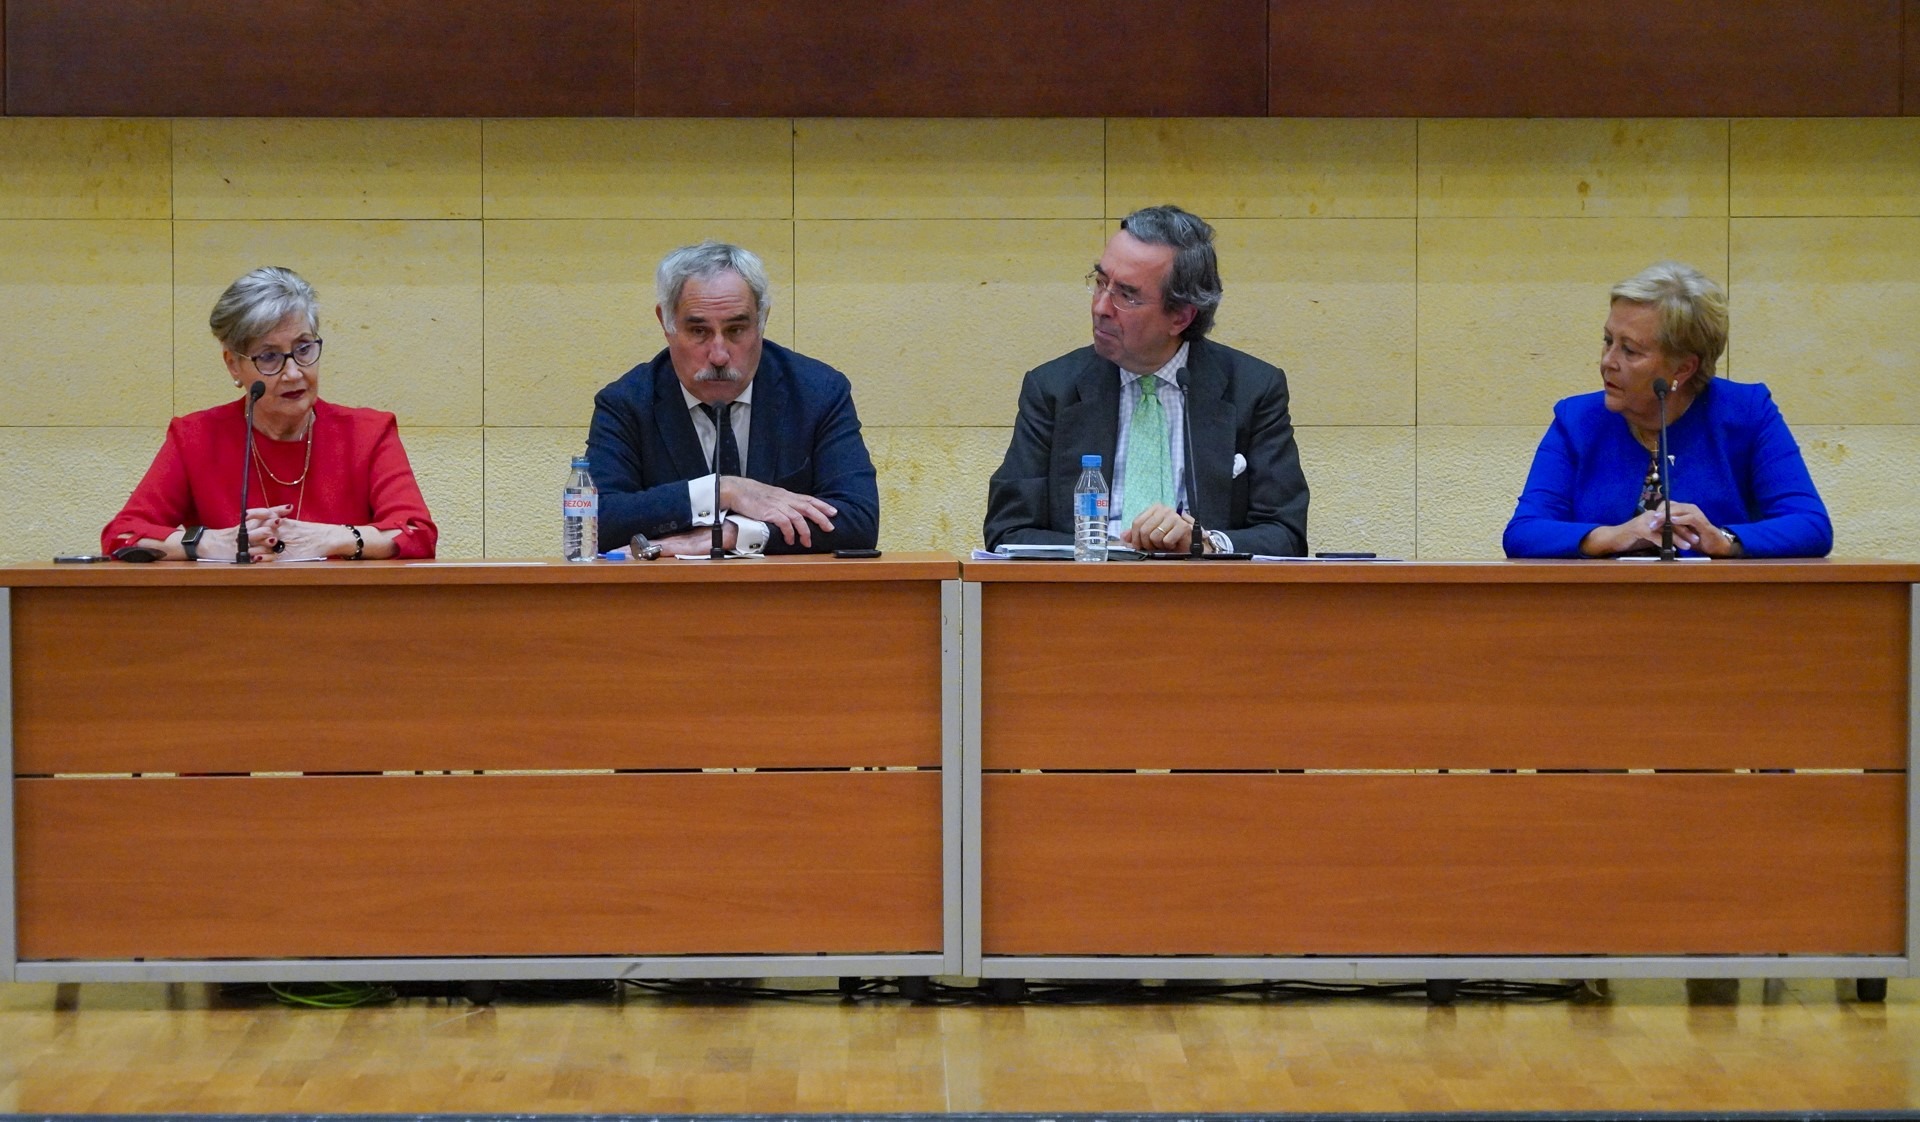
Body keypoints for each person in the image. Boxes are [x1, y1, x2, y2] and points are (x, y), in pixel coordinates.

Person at [982, 205, 1309, 556]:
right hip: (1087, 585)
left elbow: (1286, 534)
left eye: (1126, 295)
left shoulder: (1253, 390)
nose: (1101, 307)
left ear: (1180, 317)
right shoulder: (1053, 389)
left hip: (1204, 587)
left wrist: (1206, 543)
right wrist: (1107, 550)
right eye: (1101, 283)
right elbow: (1008, 531)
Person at [103, 267, 437, 561]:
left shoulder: (368, 433)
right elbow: (122, 536)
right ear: (234, 365)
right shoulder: (196, 438)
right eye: (268, 357)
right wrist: (208, 543)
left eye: (303, 348)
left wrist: (333, 537)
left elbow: (416, 532)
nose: (293, 373)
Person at [1503, 261, 1831, 559]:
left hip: (1716, 601)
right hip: (1601, 602)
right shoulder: (1577, 419)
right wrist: (1609, 537)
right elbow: (1524, 531)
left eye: (1629, 350)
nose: (1607, 362)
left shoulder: (1747, 412)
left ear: (1683, 368)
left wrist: (1725, 540)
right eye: (1607, 340)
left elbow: (1810, 525)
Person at [586, 240, 879, 555]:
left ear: (762, 319)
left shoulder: (817, 393)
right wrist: (723, 490)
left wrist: (734, 534)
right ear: (666, 323)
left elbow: (858, 520)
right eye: (699, 332)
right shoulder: (626, 403)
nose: (719, 356)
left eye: (736, 330)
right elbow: (596, 521)